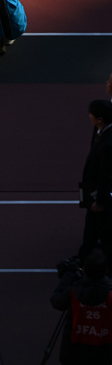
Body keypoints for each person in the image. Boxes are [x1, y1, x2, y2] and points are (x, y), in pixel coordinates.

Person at [52, 248, 112, 365]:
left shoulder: (73, 291)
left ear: (84, 270)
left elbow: (56, 301)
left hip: (73, 349)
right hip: (101, 350)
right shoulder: (109, 294)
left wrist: (67, 279)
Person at [80, 102, 112, 256]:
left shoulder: (107, 143)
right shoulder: (101, 132)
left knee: (101, 227)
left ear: (99, 119)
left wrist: (99, 201)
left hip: (99, 194)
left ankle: (85, 257)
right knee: (94, 226)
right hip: (93, 189)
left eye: (91, 114)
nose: (89, 116)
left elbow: (106, 175)